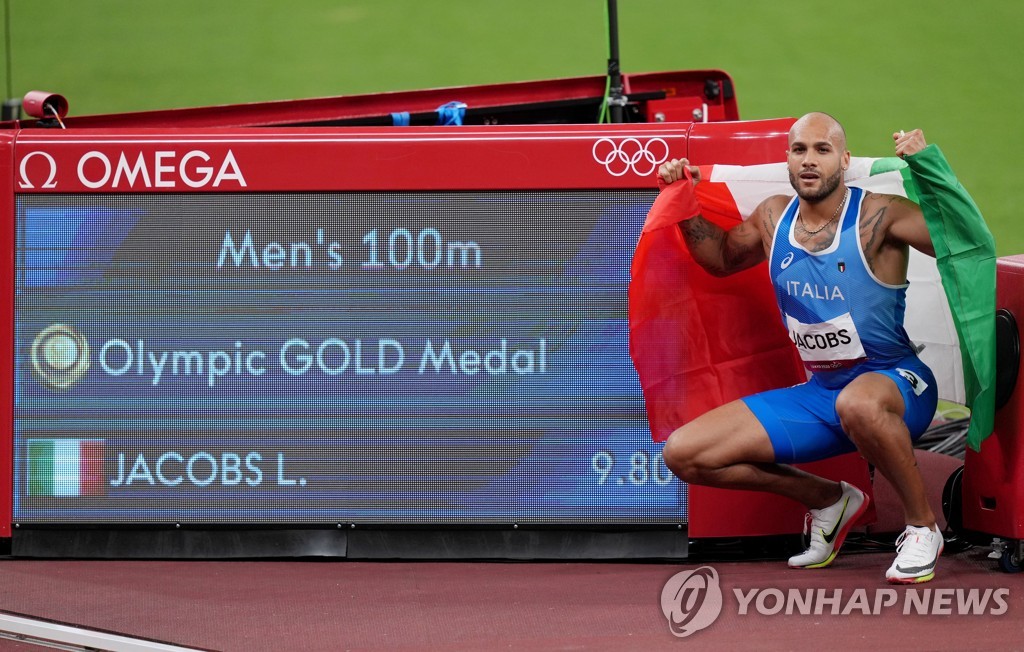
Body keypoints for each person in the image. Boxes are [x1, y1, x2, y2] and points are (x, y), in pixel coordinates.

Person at [657, 112, 949, 584]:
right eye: (799, 150)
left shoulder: (880, 214)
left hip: (897, 383)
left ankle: (922, 528)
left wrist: (930, 167)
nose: (809, 160)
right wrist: (684, 200)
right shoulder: (774, 217)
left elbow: (960, 244)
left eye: (822, 149)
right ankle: (829, 501)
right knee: (685, 453)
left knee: (859, 402)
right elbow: (721, 259)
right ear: (788, 160)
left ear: (844, 159)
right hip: (823, 395)